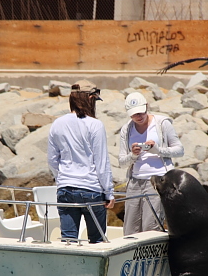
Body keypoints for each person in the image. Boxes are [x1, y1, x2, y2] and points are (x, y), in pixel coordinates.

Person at [47, 84, 115, 243]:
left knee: (68, 242)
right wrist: (109, 192)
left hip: (65, 189)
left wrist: (63, 177)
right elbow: (101, 163)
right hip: (91, 190)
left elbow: (52, 159)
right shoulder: (95, 125)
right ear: (90, 99)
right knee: (97, 242)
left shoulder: (57, 123)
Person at [118, 91, 184, 236]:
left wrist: (157, 150)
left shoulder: (162, 124)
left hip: (157, 182)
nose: (139, 116)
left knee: (150, 226)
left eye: (141, 112)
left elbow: (180, 150)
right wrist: (133, 155)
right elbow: (122, 162)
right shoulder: (126, 129)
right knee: (129, 229)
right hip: (134, 182)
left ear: (147, 106)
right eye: (135, 114)